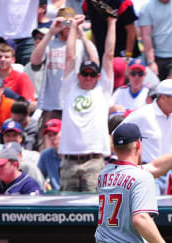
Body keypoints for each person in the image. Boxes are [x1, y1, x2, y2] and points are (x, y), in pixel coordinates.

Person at [59, 14, 115, 192]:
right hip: (69, 161)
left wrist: (112, 22)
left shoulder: (102, 89)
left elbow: (109, 55)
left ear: (98, 76)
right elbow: (70, 57)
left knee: (93, 209)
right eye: (85, 73)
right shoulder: (70, 88)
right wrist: (74, 27)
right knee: (66, 210)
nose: (88, 78)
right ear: (79, 75)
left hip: (94, 160)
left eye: (92, 74)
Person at [31, 7, 100, 140]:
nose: (67, 26)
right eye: (65, 23)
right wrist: (51, 32)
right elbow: (35, 61)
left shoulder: (82, 44)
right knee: (47, 145)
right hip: (51, 105)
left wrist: (79, 30)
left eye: (70, 22)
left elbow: (95, 62)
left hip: (76, 104)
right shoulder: (50, 44)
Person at [122, 79, 172, 194]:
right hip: (146, 172)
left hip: (167, 173)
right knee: (150, 210)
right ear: (163, 97)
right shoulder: (143, 114)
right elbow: (117, 135)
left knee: (161, 210)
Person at [38, 119, 62, 191]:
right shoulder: (45, 155)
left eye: (55, 134)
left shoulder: (75, 155)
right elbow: (40, 178)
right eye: (49, 135)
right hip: (54, 197)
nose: (52, 138)